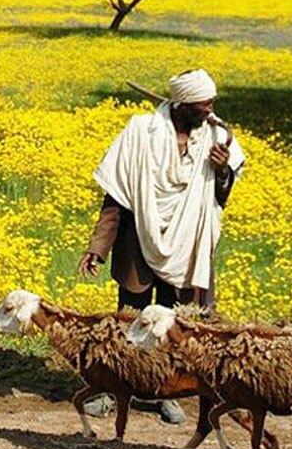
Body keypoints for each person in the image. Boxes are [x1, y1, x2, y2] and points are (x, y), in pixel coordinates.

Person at [77, 68, 245, 423]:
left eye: (212, 103)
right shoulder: (141, 132)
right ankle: (113, 389)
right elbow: (116, 196)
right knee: (130, 318)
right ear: (182, 104)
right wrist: (98, 246)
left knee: (170, 323)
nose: (210, 111)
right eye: (203, 105)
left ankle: (162, 392)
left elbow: (220, 196)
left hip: (186, 245)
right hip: (139, 238)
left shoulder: (216, 138)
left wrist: (223, 170)